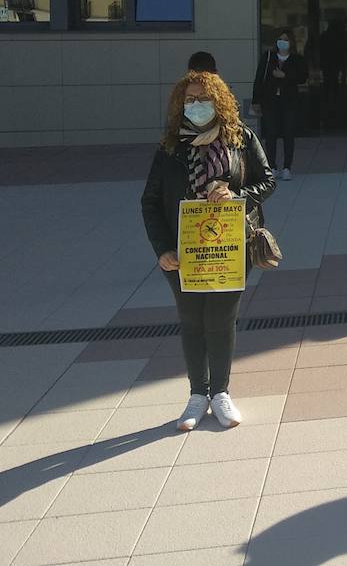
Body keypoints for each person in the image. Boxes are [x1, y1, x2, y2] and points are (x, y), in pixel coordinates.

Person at [141, 70, 276, 430]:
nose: (196, 105)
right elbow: (150, 201)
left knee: (220, 319)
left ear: (219, 101)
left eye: (203, 98)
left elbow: (267, 180)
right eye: (190, 99)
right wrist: (162, 249)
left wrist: (238, 195)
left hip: (230, 248)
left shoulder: (240, 138)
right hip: (183, 251)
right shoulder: (171, 146)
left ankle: (220, 393)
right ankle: (197, 395)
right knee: (191, 320)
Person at [253, 31, 307, 180]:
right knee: (271, 134)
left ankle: (287, 167)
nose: (282, 42)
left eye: (285, 39)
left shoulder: (297, 59)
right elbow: (259, 78)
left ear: (291, 42)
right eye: (280, 39)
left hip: (289, 101)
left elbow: (303, 77)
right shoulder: (269, 57)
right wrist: (256, 101)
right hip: (270, 101)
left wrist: (285, 76)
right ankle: (272, 166)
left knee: (288, 134)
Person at [319, 19, 347, 128]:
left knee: (329, 89)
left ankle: (331, 116)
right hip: (333, 65)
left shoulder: (326, 36)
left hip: (329, 66)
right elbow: (346, 51)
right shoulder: (341, 36)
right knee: (333, 89)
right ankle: (334, 116)